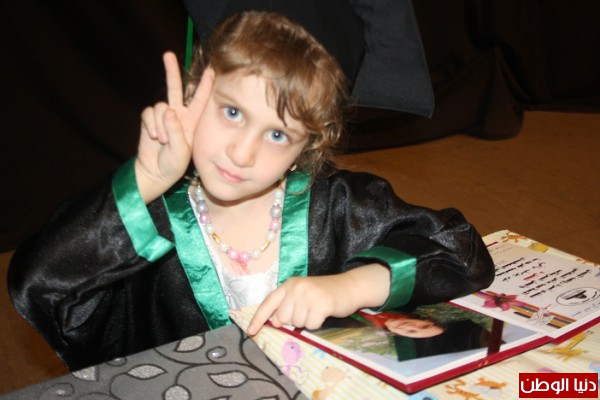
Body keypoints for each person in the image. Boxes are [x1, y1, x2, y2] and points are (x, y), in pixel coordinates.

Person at [8, 3, 495, 371]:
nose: (242, 154)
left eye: (278, 134)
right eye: (232, 111)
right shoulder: (148, 221)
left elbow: (464, 251)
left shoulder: (342, 206)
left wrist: (352, 286)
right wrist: (146, 180)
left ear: (310, 144)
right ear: (195, 90)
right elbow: (39, 283)